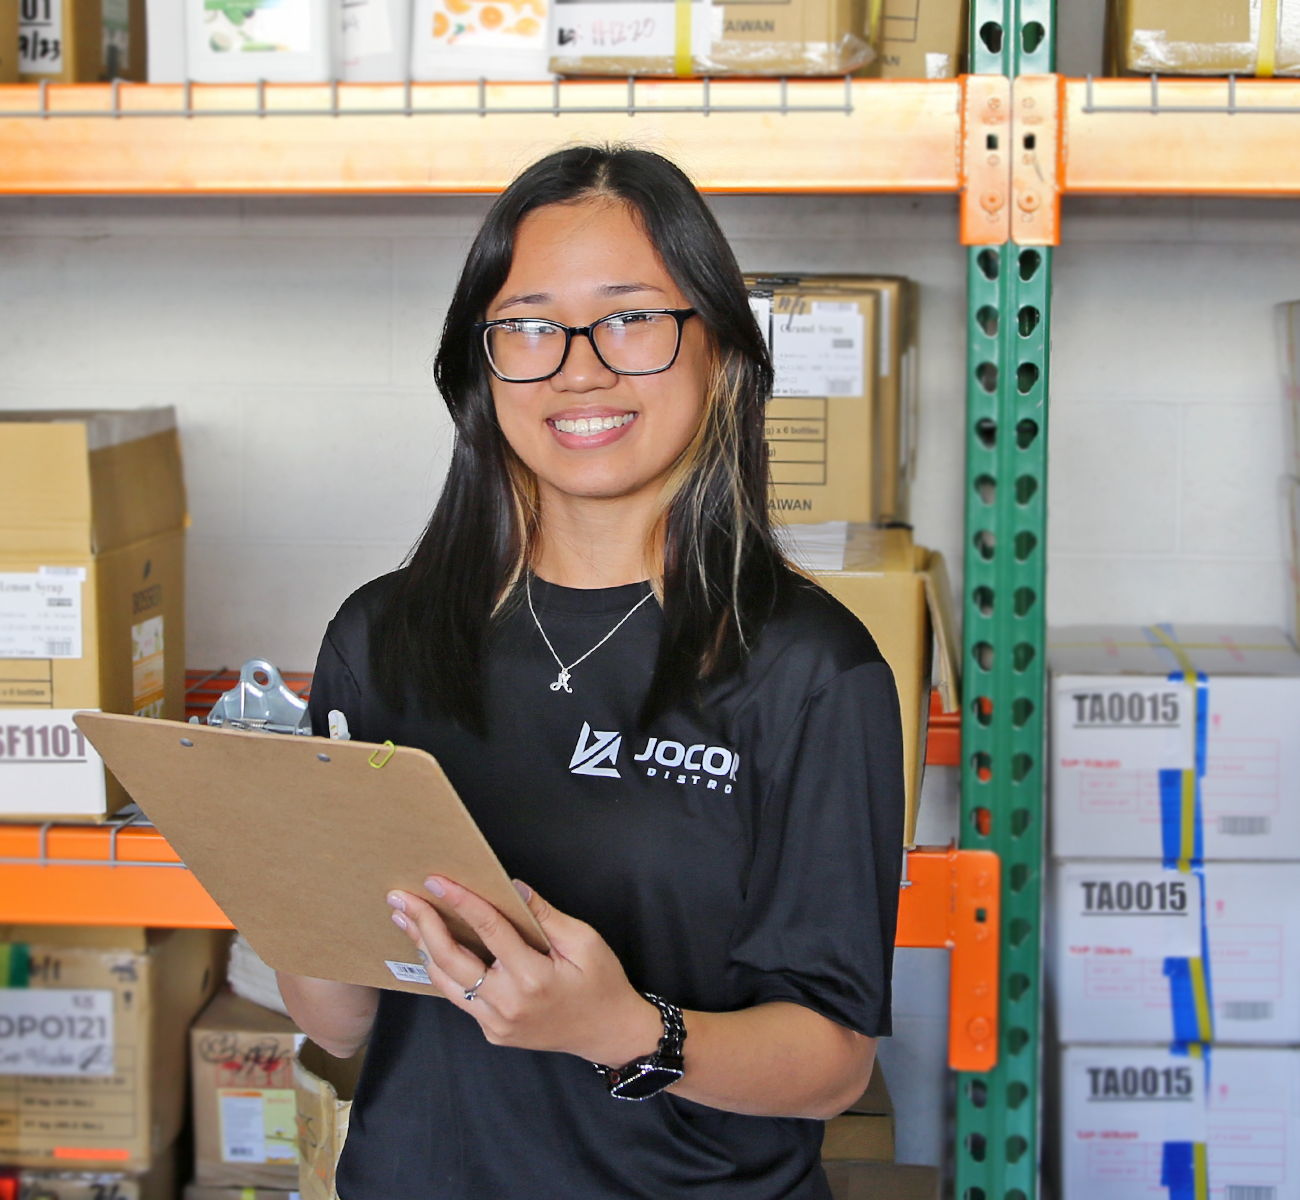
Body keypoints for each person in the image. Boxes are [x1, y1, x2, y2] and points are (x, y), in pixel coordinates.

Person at [275, 145, 905, 1200]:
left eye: (631, 317)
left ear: (718, 350)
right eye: (527, 324)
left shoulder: (807, 667)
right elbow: (339, 1018)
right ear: (479, 365)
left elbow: (832, 1066)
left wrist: (620, 1030)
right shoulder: (379, 639)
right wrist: (279, 869)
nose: (578, 367)